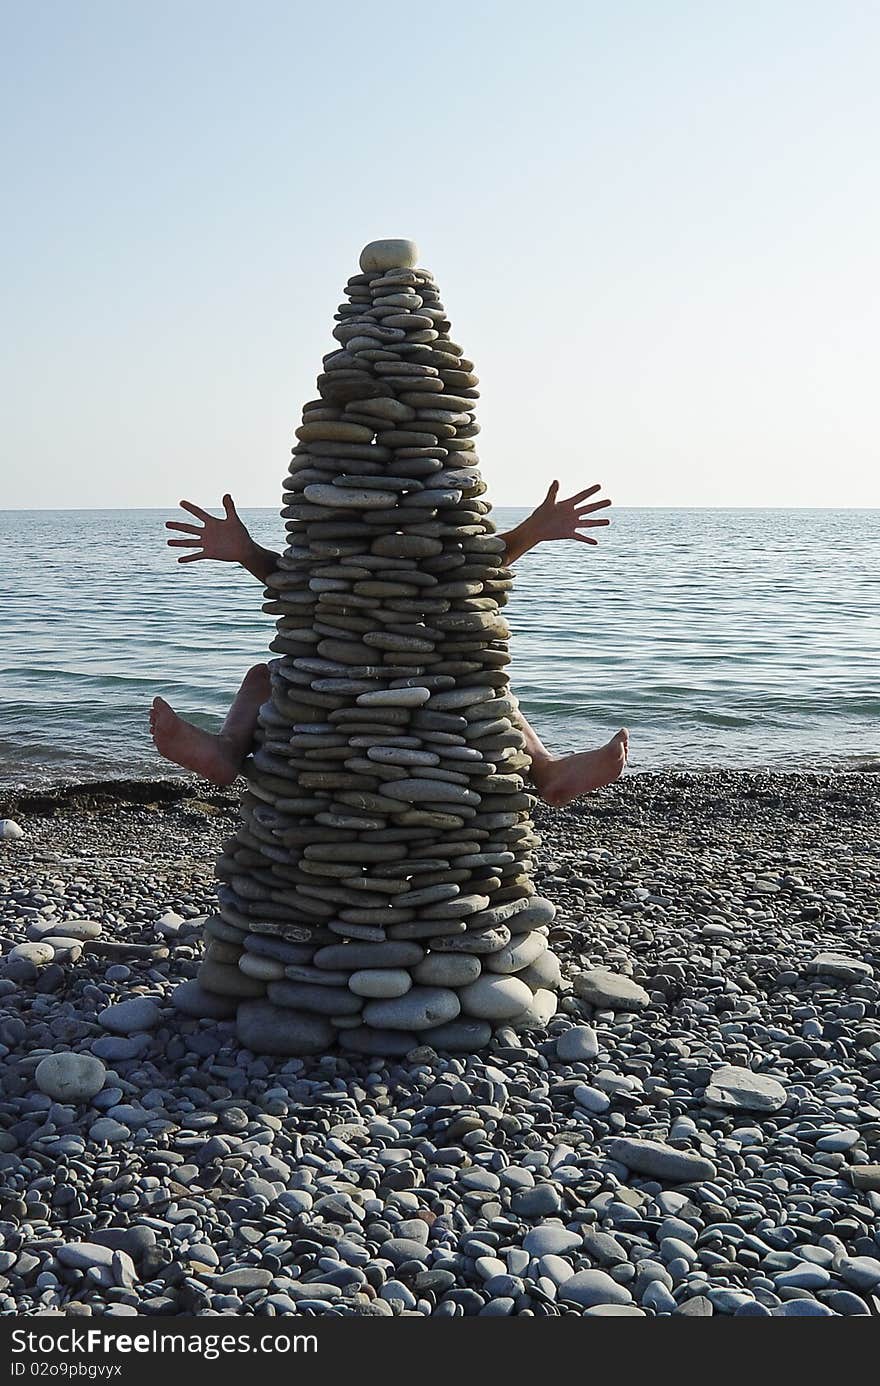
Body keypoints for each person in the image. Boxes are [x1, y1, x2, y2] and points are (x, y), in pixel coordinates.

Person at [150, 483, 628, 806]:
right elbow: (480, 567)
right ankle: (543, 768)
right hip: (410, 680)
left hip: (349, 681)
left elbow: (292, 583)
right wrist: (532, 533)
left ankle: (228, 751)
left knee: (264, 677)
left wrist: (248, 553)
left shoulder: (348, 552)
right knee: (488, 691)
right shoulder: (421, 553)